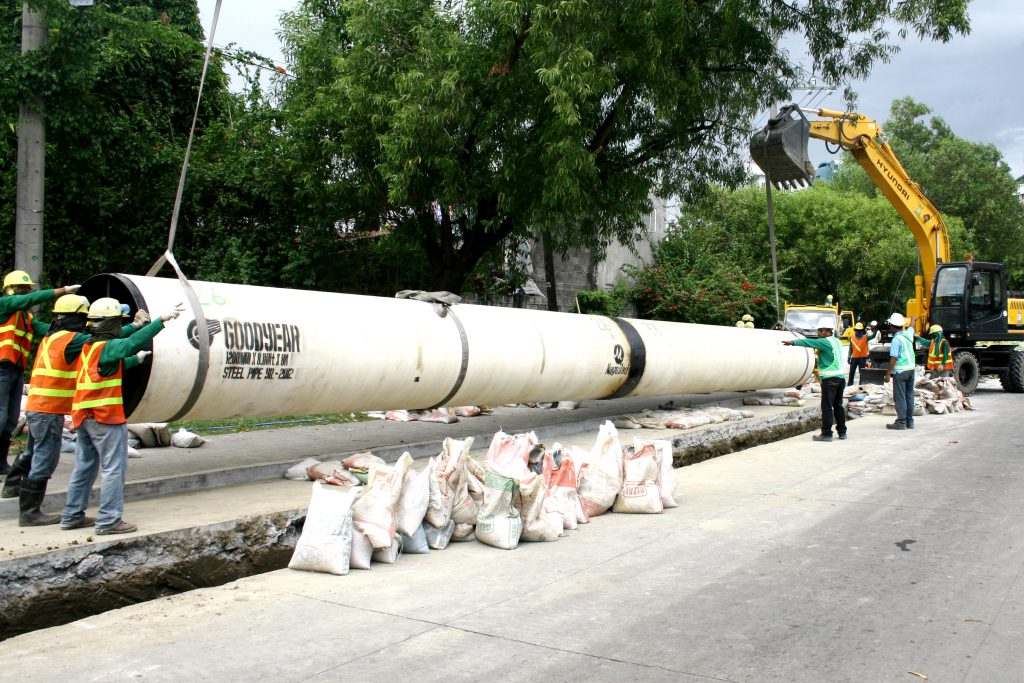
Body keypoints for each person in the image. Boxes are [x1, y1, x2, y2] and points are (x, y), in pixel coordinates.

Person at [2, 295, 150, 524]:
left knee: (35, 452)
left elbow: (103, 355)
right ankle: (30, 514)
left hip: (38, 408)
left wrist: (132, 359)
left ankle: (12, 487)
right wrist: (137, 326)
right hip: (50, 410)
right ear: (78, 317)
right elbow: (108, 340)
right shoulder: (74, 340)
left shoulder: (52, 337)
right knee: (45, 460)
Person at [60, 297, 183, 534]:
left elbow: (107, 367)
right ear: (110, 324)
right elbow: (129, 343)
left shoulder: (88, 347)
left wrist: (134, 361)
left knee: (84, 467)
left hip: (84, 417)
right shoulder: (107, 347)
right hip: (104, 417)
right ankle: (109, 520)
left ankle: (72, 516)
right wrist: (160, 321)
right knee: (114, 468)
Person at [0, 270, 80, 475]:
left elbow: (49, 331)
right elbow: (32, 299)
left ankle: (1, 463)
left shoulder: (26, 318)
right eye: (21, 290)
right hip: (2, 369)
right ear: (9, 291)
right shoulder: (3, 305)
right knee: (0, 418)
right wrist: (60, 291)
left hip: (15, 371)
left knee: (9, 421)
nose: (25, 294)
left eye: (27, 289)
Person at [782, 317, 846, 441]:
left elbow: (809, 342)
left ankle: (827, 434)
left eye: (820, 331)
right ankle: (842, 432)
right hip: (840, 379)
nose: (818, 334)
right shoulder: (836, 341)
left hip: (830, 379)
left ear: (827, 331)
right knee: (838, 406)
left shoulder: (824, 342)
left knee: (827, 407)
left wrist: (792, 342)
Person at [884, 312, 917, 430]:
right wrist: (913, 319)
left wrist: (888, 374)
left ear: (892, 326)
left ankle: (901, 422)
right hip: (911, 370)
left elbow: (893, 358)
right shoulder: (908, 334)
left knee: (900, 397)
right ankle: (909, 421)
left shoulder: (896, 340)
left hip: (900, 372)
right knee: (909, 395)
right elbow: (912, 327)